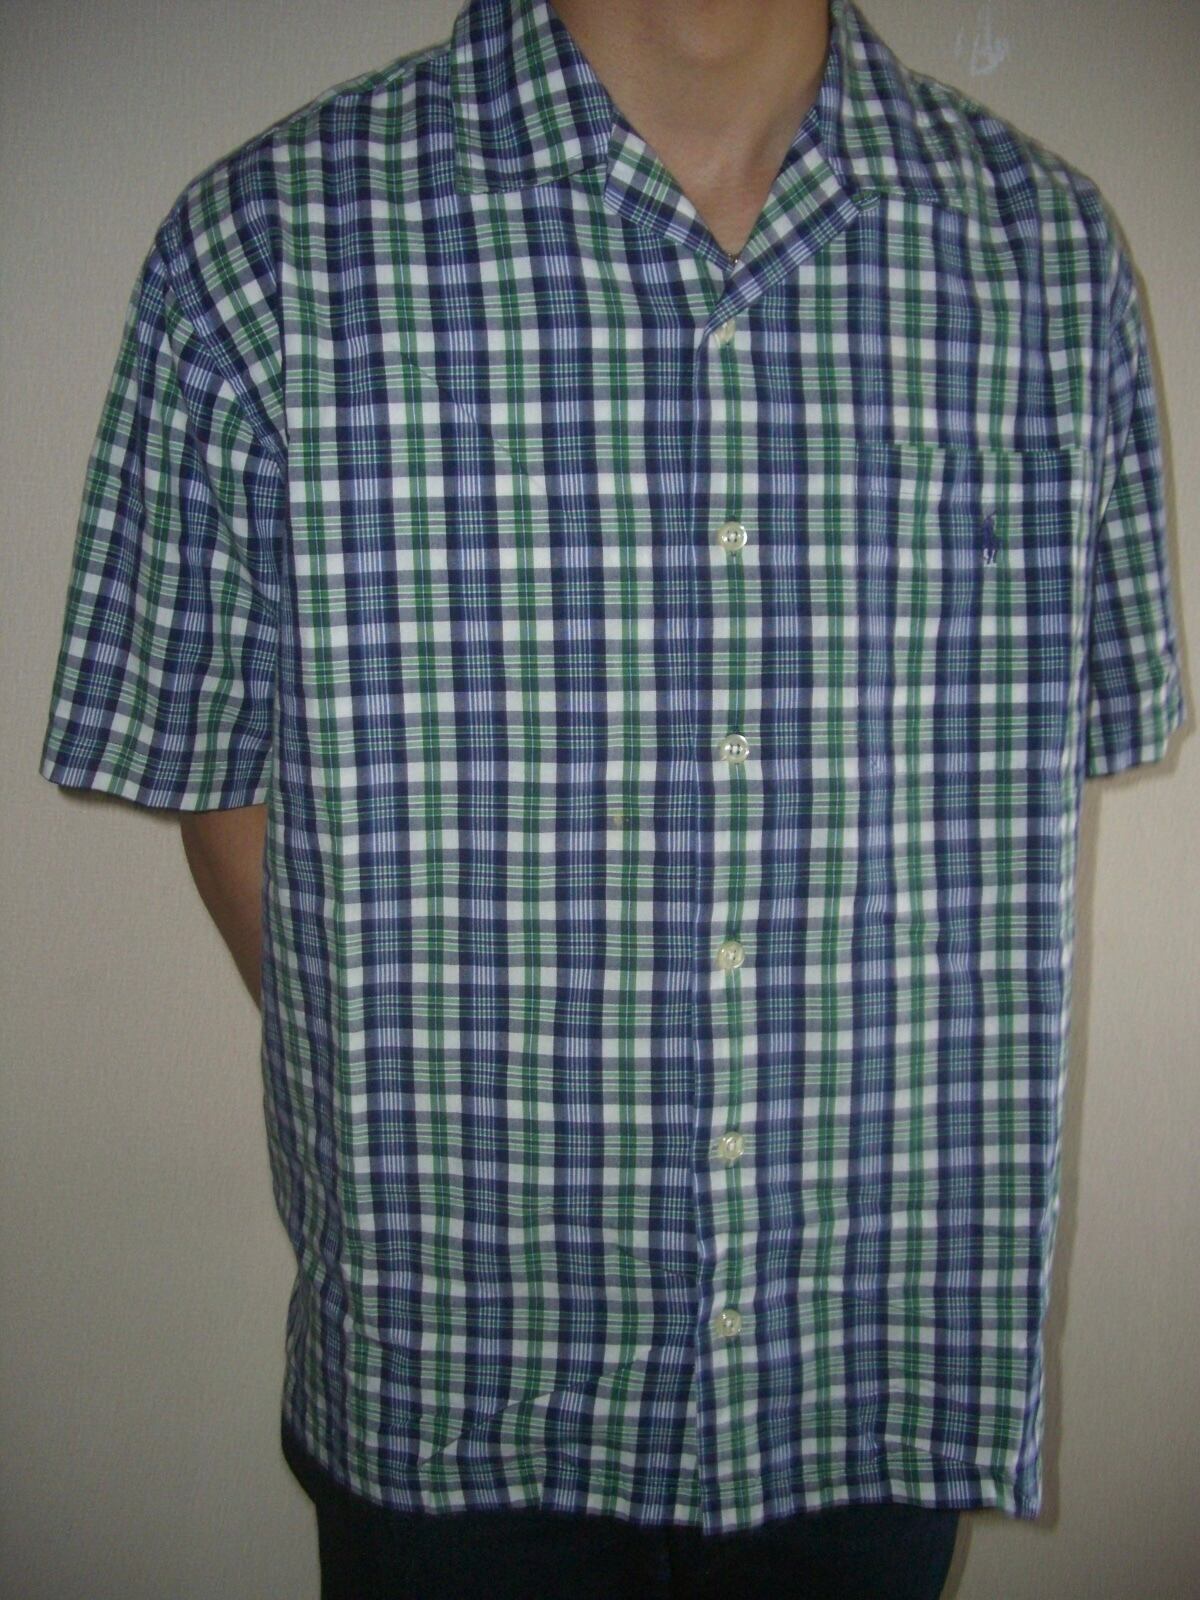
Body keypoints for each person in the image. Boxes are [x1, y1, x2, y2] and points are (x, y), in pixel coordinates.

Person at [39, 0, 1185, 1595]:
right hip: (455, 1374)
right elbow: (205, 757)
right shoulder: (266, 249)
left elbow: (1069, 741)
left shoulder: (1047, 261)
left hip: (866, 1360)